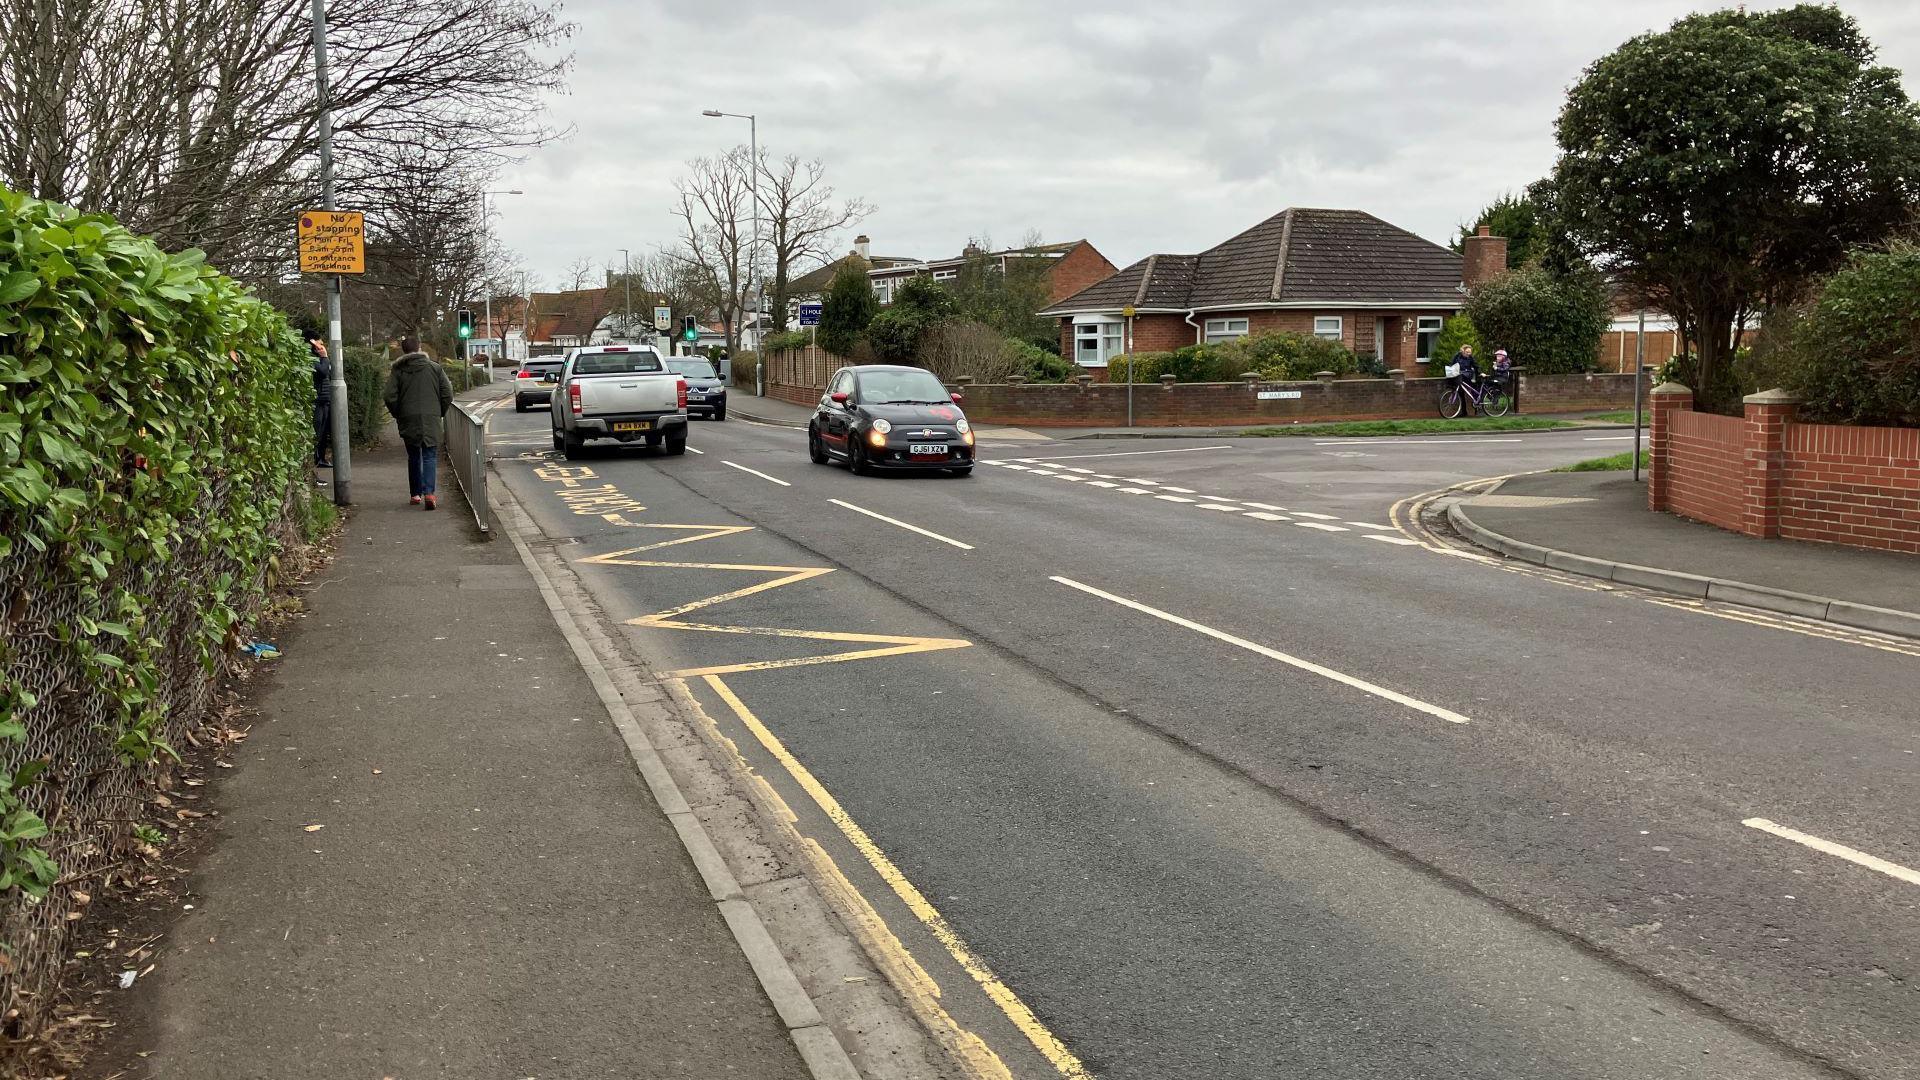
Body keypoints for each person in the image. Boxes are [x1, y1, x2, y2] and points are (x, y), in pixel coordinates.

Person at [382, 336, 453, 510]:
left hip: (408, 418)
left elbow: (389, 396)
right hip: (431, 417)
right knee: (429, 455)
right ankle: (429, 493)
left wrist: (399, 413)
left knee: (413, 456)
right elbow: (447, 393)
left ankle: (415, 494)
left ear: (403, 350)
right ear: (420, 348)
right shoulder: (435, 368)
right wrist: (439, 412)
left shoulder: (398, 371)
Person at [308, 333, 333, 469]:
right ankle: (315, 460)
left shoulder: (319, 359)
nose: (322, 346)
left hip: (324, 400)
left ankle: (321, 458)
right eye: (319, 344)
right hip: (317, 401)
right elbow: (323, 372)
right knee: (317, 432)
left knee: (323, 433)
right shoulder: (312, 359)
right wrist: (324, 357)